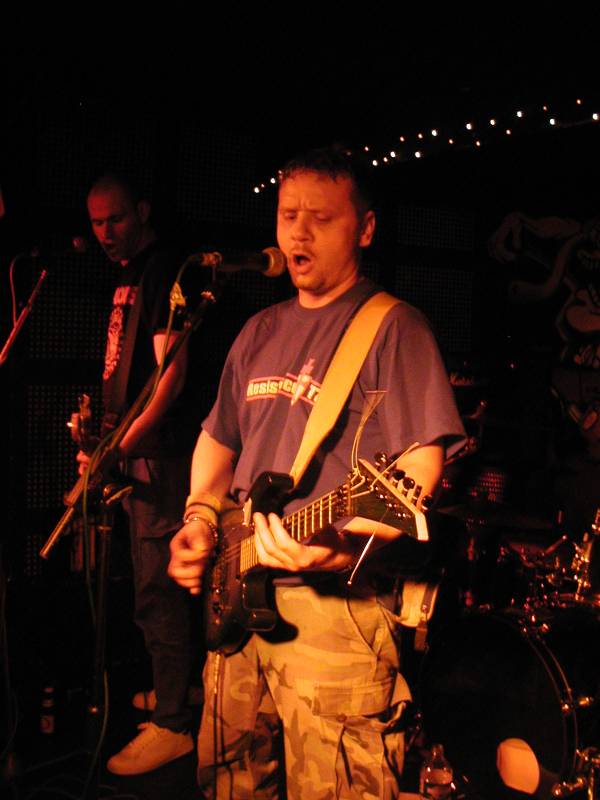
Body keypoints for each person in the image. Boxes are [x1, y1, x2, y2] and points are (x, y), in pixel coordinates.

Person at [168, 147, 465, 799]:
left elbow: (418, 468)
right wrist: (199, 516)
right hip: (238, 595)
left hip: (335, 617)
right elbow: (218, 439)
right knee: (228, 780)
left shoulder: (394, 328)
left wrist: (346, 545)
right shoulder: (257, 330)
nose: (298, 234)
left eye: (321, 218)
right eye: (287, 215)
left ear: (365, 228)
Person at [81, 174, 198, 774]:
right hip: (134, 452)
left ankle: (174, 723)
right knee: (149, 582)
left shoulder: (163, 270)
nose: (105, 232)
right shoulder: (128, 273)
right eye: (96, 222)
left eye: (116, 219)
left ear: (144, 211)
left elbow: (170, 377)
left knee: (159, 586)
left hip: (160, 455)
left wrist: (122, 446)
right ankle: (176, 689)